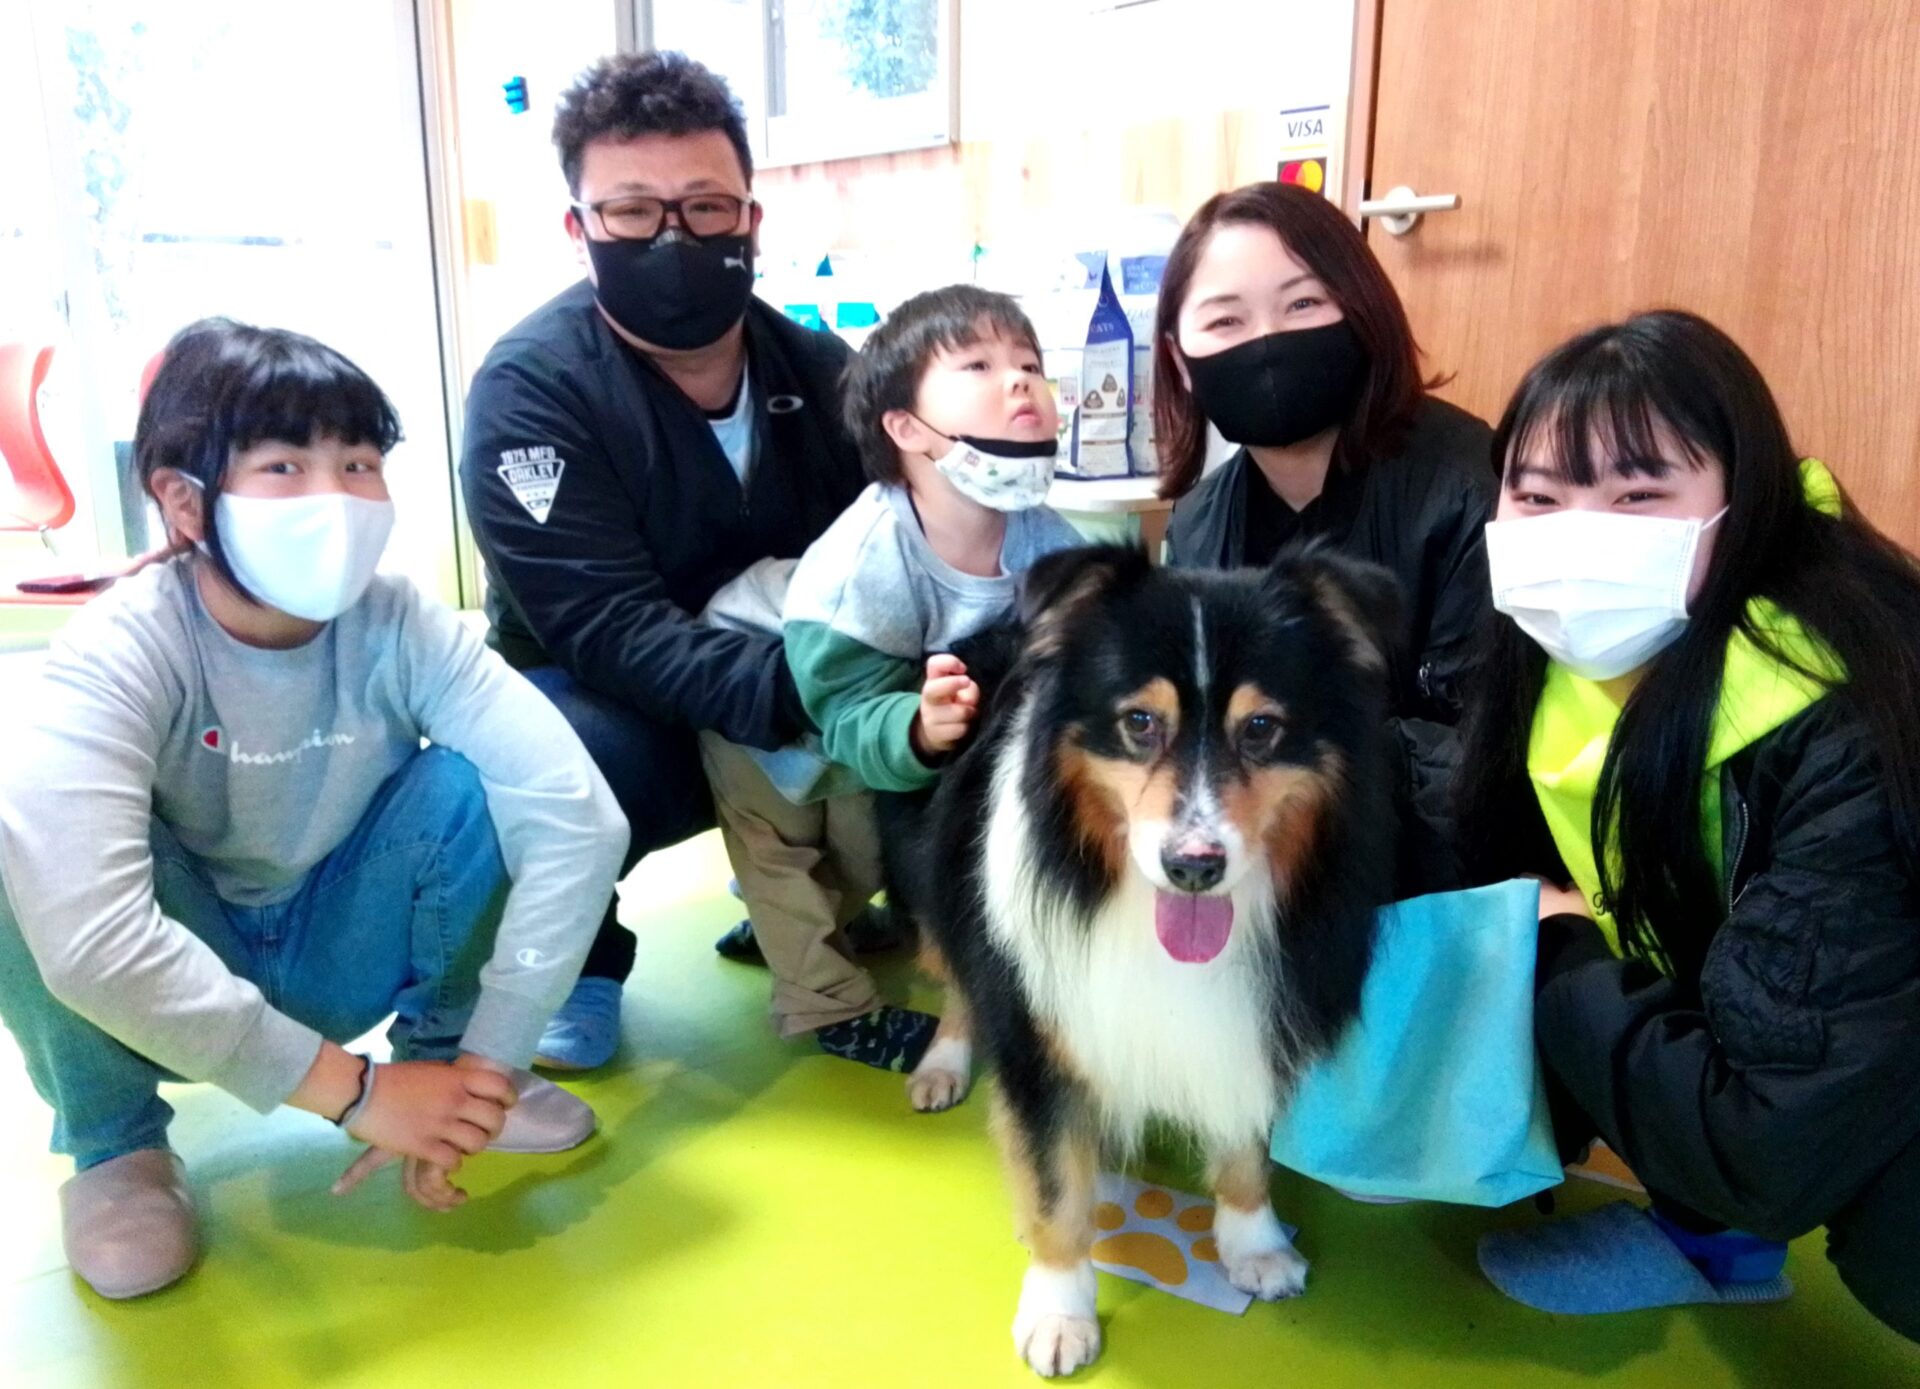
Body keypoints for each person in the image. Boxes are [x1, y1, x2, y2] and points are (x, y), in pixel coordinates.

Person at [0, 320, 628, 1299]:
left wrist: (489, 1064)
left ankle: (446, 1068)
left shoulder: (403, 622)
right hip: (173, 974)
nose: (336, 496)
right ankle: (115, 1142)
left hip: (341, 941)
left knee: (475, 784)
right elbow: (91, 943)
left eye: (360, 463)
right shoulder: (121, 647)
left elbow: (576, 815)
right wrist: (359, 1095)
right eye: (285, 466)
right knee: (30, 854)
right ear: (184, 501)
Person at [1457, 311, 1920, 1343]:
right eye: (1538, 497)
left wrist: (1560, 947)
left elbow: (1771, 1143)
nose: (1577, 535)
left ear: (1741, 505)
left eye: (1638, 495)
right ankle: (1709, 1247)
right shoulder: (1559, 668)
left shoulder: (1851, 715)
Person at [457, 52, 874, 1071]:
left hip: (787, 667)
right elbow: (602, 626)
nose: (674, 236)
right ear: (579, 229)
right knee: (566, 755)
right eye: (633, 211)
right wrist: (816, 691)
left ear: (751, 220)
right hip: (618, 699)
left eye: (705, 206)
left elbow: (900, 543)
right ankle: (577, 958)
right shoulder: (530, 391)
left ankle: (821, 887)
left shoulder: (825, 371)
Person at [771, 285, 1083, 1074]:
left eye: (1028, 363)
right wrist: (912, 725)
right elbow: (842, 708)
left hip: (959, 728)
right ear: (906, 427)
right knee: (869, 847)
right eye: (977, 364)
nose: (1019, 380)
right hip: (805, 730)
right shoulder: (863, 564)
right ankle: (916, 997)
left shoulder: (1047, 537)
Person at [1153, 181, 1494, 892]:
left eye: (1303, 304)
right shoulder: (1196, 523)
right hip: (1253, 861)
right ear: (1181, 362)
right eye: (1225, 319)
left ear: (1363, 312)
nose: (1267, 341)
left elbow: (1480, 752)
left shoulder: (1469, 487)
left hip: (1435, 876)